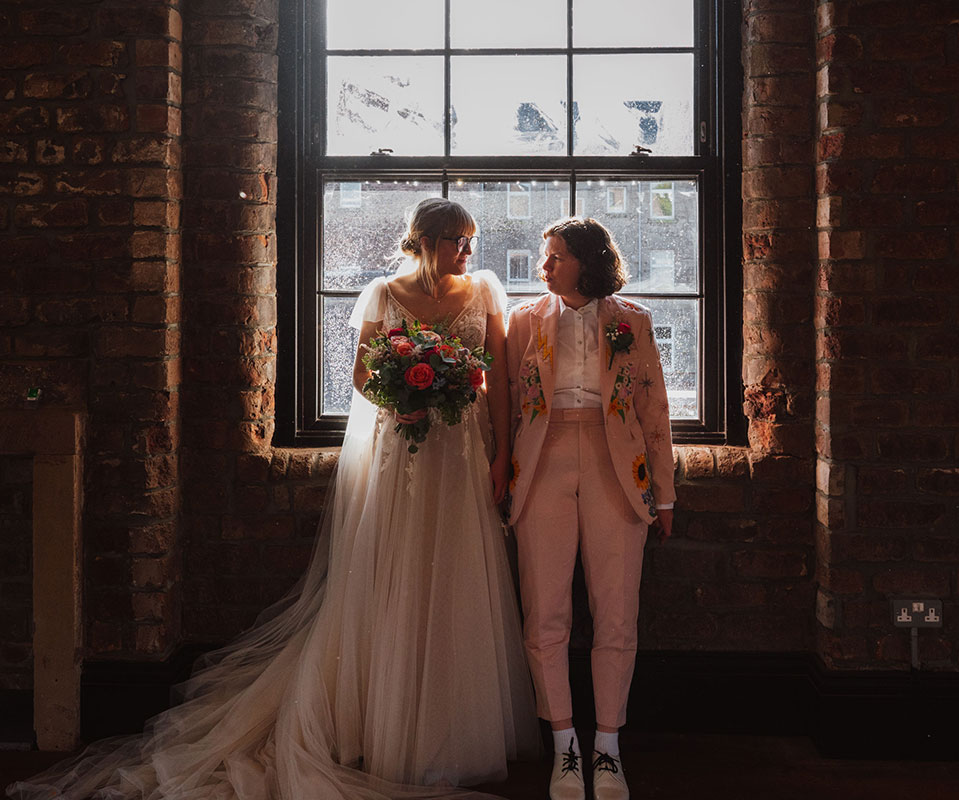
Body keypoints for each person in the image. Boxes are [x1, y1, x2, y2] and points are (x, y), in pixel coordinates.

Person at [8, 197, 540, 800]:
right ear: (426, 240)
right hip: (403, 455)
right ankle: (379, 718)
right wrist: (403, 400)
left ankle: (448, 727)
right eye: (457, 241)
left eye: (470, 241)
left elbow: (496, 379)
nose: (467, 252)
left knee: (455, 578)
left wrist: (502, 455)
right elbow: (365, 378)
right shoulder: (383, 295)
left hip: (462, 453)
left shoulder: (485, 292)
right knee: (393, 575)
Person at [506, 218, 676, 800]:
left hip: (616, 466)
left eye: (554, 256)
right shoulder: (522, 321)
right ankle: (564, 750)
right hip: (543, 461)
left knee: (617, 613)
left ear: (586, 260)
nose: (543, 267)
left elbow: (654, 413)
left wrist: (665, 492)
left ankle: (608, 748)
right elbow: (503, 405)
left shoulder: (633, 321)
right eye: (543, 256)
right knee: (545, 611)